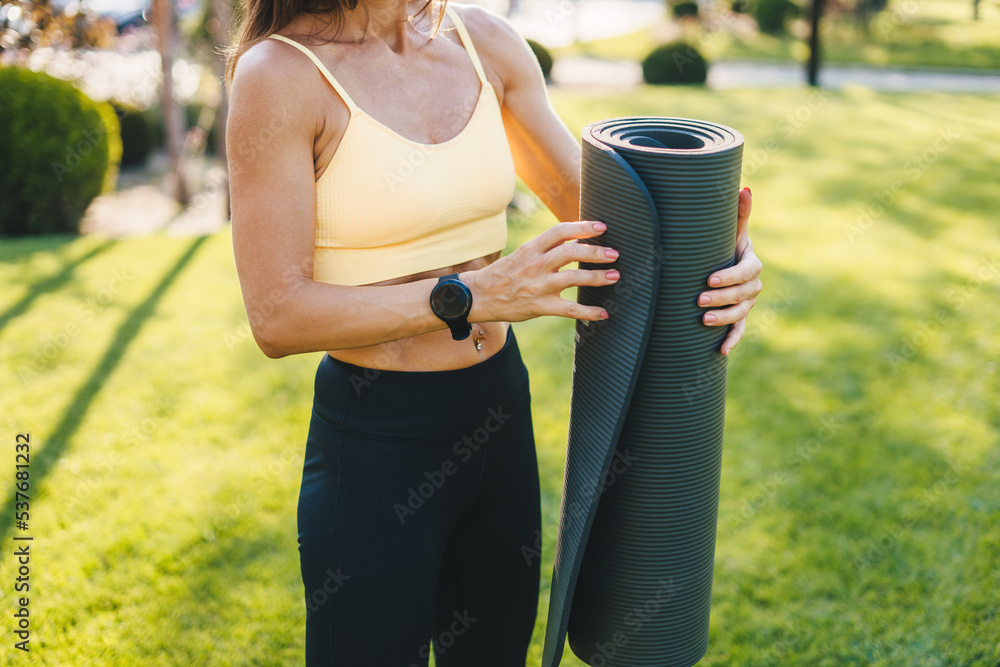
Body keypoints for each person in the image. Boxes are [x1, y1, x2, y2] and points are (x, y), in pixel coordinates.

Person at [223, 0, 763, 664]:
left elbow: (603, 224)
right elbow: (278, 314)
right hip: (376, 443)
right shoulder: (279, 74)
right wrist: (470, 297)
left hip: (497, 418)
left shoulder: (486, 43)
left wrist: (727, 261)